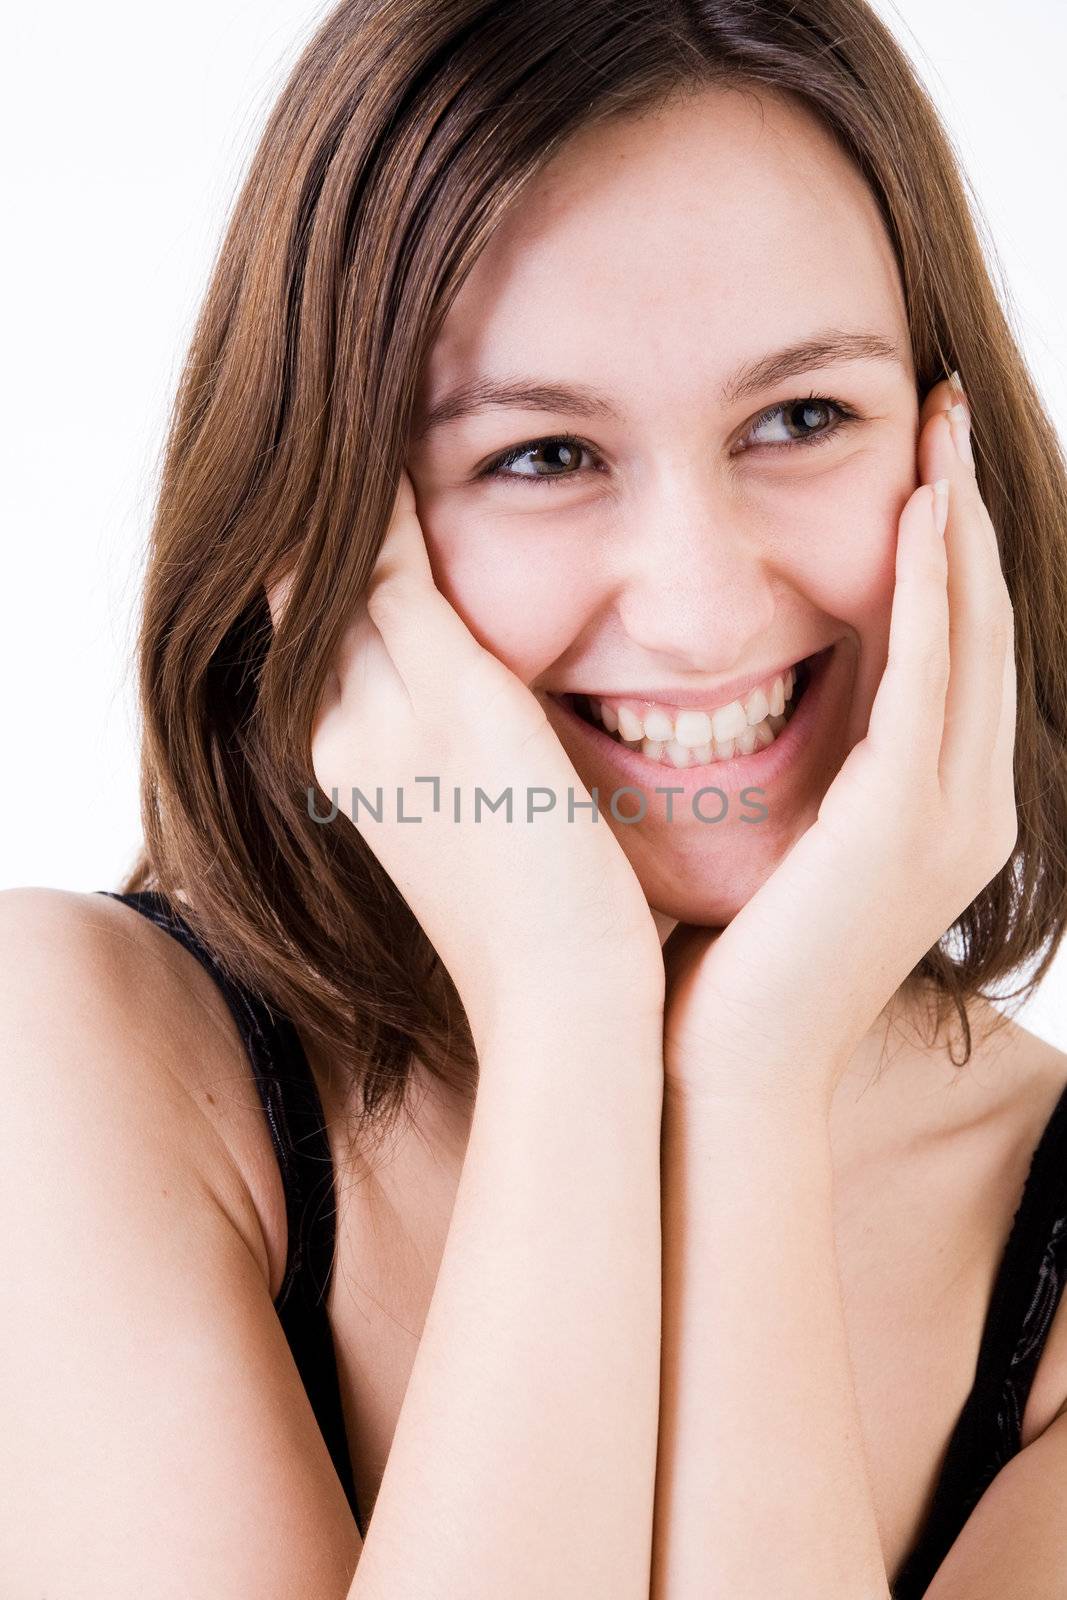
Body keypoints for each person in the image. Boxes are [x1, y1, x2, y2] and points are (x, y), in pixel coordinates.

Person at [4, 1, 1067, 1596]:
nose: (705, 611)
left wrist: (751, 1092)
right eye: (545, 455)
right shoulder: (79, 1057)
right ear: (325, 527)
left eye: (801, 418)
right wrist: (570, 1025)